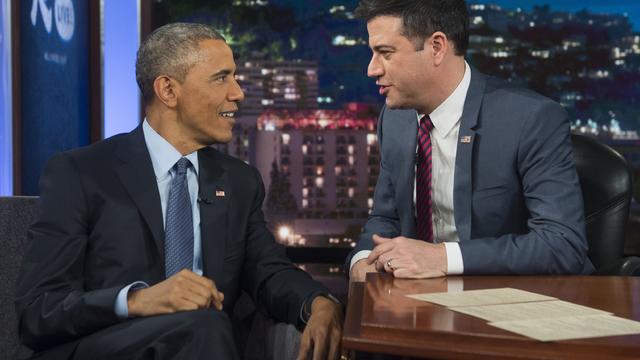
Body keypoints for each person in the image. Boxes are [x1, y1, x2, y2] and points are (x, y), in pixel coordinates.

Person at [15, 23, 342, 360]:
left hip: (204, 345)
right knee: (206, 326)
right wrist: (138, 300)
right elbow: (38, 310)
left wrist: (318, 304)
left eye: (236, 77)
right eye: (221, 78)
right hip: (103, 346)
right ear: (168, 90)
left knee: (206, 326)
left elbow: (269, 271)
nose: (238, 93)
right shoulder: (81, 173)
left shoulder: (239, 182)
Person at [349, 0, 594, 281]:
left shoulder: (531, 119)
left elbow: (562, 244)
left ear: (437, 47)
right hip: (425, 300)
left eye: (385, 53)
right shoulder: (394, 119)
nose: (372, 69)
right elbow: (386, 219)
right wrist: (361, 262)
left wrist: (442, 257)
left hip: (522, 301)